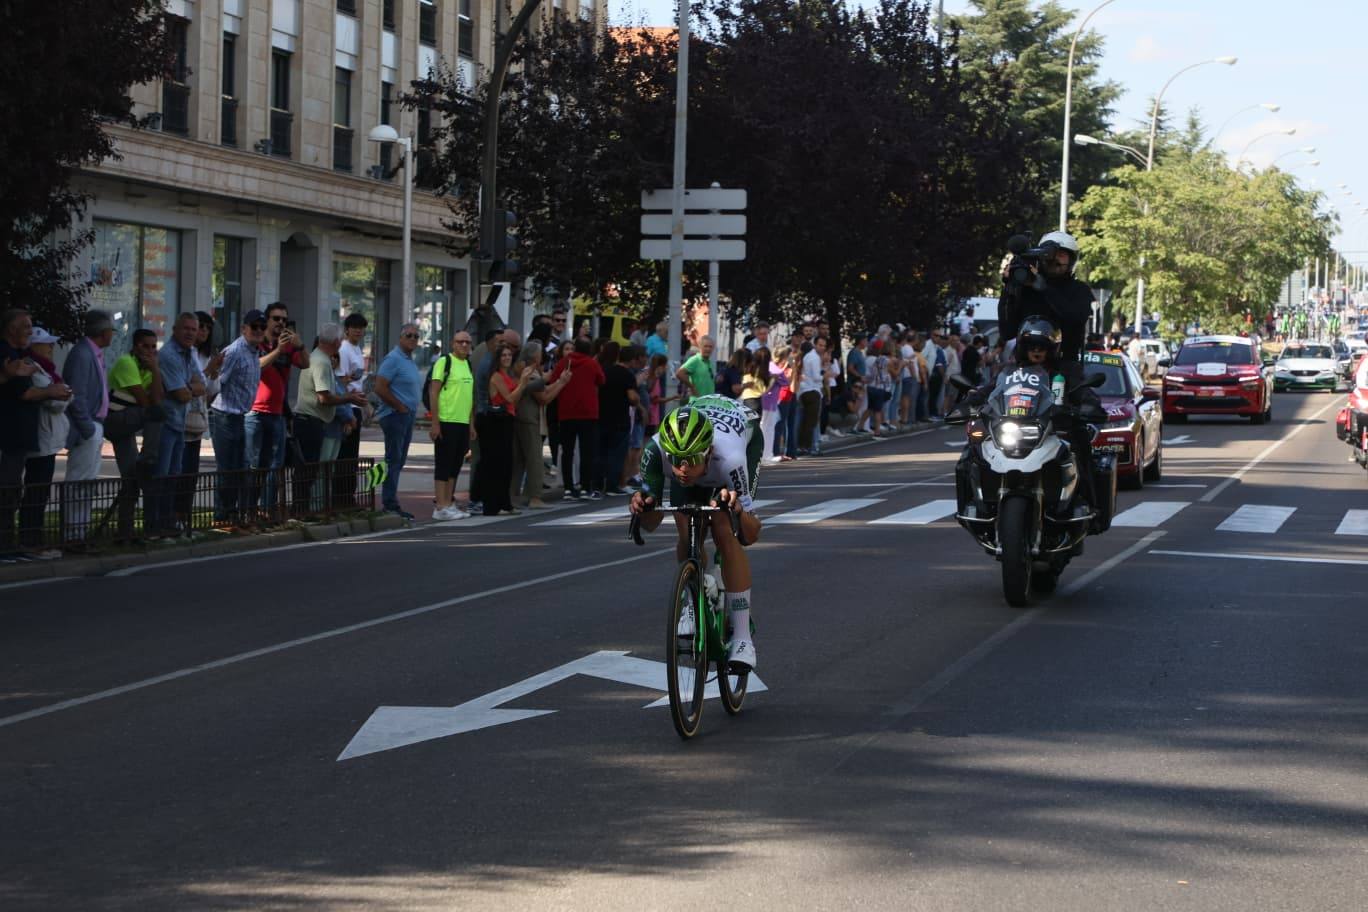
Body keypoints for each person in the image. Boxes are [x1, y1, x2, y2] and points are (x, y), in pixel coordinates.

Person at [630, 396, 766, 671]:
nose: (682, 469)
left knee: (724, 530)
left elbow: (751, 535)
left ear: (706, 452)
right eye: (676, 460)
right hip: (705, 441)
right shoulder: (655, 451)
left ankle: (742, 639)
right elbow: (651, 524)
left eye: (690, 460)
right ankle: (694, 596)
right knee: (686, 529)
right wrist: (643, 507)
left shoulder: (731, 458)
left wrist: (738, 510)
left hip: (744, 435)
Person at [293, 323, 366, 515]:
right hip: (312, 420)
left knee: (314, 470)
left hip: (314, 420)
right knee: (314, 471)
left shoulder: (318, 357)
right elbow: (324, 397)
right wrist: (350, 398)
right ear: (336, 342)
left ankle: (310, 508)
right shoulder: (321, 361)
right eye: (340, 341)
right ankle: (309, 509)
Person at [146, 313, 207, 536]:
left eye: (194, 329)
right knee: (160, 476)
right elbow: (180, 394)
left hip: (179, 423)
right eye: (186, 328)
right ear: (174, 329)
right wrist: (190, 388)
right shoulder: (169, 354)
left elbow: (203, 384)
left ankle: (167, 523)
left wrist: (189, 388)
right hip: (165, 423)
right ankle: (153, 526)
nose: (190, 333)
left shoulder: (190, 353)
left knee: (173, 476)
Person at [998, 231, 1095, 367]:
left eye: (1061, 255)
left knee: (1084, 389)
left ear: (1071, 260)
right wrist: (1009, 288)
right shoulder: (1026, 287)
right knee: (984, 388)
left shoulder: (1080, 290)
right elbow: (1007, 332)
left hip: (1065, 368)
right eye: (1049, 255)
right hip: (1023, 369)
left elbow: (1075, 319)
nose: (1055, 260)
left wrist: (1045, 288)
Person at [247, 302, 309, 516]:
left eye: (284, 319)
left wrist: (299, 346)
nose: (280, 323)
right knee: (255, 465)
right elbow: (257, 365)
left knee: (275, 465)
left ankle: (268, 510)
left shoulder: (288, 345)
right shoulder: (258, 343)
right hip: (255, 412)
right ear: (267, 320)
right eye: (276, 318)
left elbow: (305, 364)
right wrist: (278, 351)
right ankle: (249, 509)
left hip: (278, 414)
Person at [105, 328, 165, 541]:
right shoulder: (126, 363)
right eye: (144, 346)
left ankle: (125, 531)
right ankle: (148, 460)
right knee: (156, 413)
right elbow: (147, 403)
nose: (149, 351)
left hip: (128, 424)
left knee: (130, 479)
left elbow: (157, 397)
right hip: (114, 421)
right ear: (135, 346)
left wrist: (156, 371)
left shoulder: (149, 368)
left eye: (153, 347)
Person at [60, 309, 114, 542]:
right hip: (88, 426)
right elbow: (77, 396)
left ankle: (80, 530)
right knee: (79, 481)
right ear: (103, 332)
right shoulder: (82, 354)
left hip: (95, 424)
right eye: (110, 330)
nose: (112, 334)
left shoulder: (94, 354)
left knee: (87, 483)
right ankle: (73, 532)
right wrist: (88, 428)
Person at [17, 325, 70, 554]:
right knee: (36, 490)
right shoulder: (31, 368)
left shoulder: (46, 369)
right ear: (32, 346)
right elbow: (55, 401)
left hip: (49, 439)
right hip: (40, 437)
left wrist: (61, 393)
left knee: (40, 490)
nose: (50, 347)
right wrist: (58, 393)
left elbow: (64, 394)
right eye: (45, 343)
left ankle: (33, 537)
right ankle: (30, 539)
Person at [210, 311, 266, 526]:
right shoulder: (233, 351)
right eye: (254, 326)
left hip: (241, 415)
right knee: (227, 468)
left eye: (262, 326)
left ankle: (235, 514)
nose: (259, 330)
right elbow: (216, 382)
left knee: (240, 468)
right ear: (244, 328)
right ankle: (222, 516)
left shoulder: (254, 352)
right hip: (224, 415)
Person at [511, 341, 571, 509]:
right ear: (535, 356)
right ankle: (534, 497)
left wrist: (559, 381)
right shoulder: (530, 372)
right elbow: (543, 398)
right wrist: (561, 384)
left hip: (523, 418)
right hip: (530, 419)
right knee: (534, 460)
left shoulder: (526, 371)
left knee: (520, 460)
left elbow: (543, 391)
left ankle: (515, 495)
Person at [372, 322, 424, 518]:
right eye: (408, 335)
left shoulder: (408, 360)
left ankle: (390, 500)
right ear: (400, 338)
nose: (412, 339)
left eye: (416, 336)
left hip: (406, 415)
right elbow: (380, 387)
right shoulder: (393, 359)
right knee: (393, 459)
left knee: (398, 460)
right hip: (395, 415)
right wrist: (399, 406)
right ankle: (389, 503)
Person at [176, 311, 222, 528]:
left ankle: (184, 518)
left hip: (197, 422)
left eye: (205, 328)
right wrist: (207, 372)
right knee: (179, 472)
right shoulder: (185, 354)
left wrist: (213, 374)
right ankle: (173, 519)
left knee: (190, 476)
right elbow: (189, 385)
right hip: (180, 422)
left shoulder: (207, 354)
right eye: (198, 327)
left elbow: (209, 391)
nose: (202, 331)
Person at [478, 341, 535, 515]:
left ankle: (504, 503)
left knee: (506, 463)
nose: (507, 358)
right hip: (497, 422)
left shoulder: (508, 376)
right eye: (503, 355)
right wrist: (523, 382)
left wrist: (521, 384)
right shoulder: (496, 376)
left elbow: (514, 400)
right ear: (498, 358)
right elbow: (510, 398)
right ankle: (493, 505)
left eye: (509, 355)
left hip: (507, 420)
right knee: (497, 463)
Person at [428, 330, 477, 519]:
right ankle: (440, 506)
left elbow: (470, 397)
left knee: (455, 465)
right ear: (452, 344)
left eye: (467, 342)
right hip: (446, 420)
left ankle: (449, 503)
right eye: (460, 342)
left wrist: (471, 424)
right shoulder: (444, 362)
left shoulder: (468, 365)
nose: (464, 345)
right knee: (443, 464)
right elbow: (434, 392)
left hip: (462, 422)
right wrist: (435, 422)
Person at [549, 337, 604, 499]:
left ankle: (568, 487)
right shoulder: (591, 363)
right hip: (588, 412)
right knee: (587, 451)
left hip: (566, 412)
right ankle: (585, 487)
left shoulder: (564, 363)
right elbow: (601, 380)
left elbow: (554, 380)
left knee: (568, 451)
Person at [592, 340, 639, 497]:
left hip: (602, 416)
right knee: (616, 454)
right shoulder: (627, 375)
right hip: (620, 419)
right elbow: (632, 397)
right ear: (631, 360)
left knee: (600, 452)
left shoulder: (604, 371)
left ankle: (597, 485)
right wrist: (637, 401)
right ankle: (612, 486)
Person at [334, 312, 369, 506]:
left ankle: (348, 496)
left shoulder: (357, 349)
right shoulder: (344, 349)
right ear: (346, 329)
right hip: (347, 406)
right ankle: (342, 499)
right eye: (354, 327)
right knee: (345, 456)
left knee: (352, 455)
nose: (357, 330)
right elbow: (341, 381)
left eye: (361, 327)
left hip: (356, 405)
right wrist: (347, 414)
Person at [797, 336, 826, 454]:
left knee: (806, 421)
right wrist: (825, 375)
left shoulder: (808, 356)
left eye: (824, 345)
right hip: (813, 391)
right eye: (820, 345)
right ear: (815, 345)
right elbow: (816, 377)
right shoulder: (814, 358)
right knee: (812, 421)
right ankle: (810, 447)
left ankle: (803, 445)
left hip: (805, 390)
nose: (822, 348)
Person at [675, 335, 716, 403]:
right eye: (705, 346)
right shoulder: (695, 360)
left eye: (710, 347)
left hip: (708, 403)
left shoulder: (709, 363)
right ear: (700, 347)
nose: (708, 349)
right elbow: (679, 373)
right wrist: (692, 387)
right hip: (697, 402)